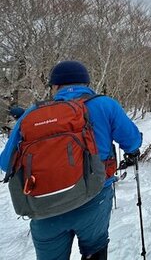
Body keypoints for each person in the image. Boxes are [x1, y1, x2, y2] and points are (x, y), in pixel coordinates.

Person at [0, 60, 143, 260]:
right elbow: (133, 141)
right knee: (95, 251)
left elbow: (6, 163)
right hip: (94, 197)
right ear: (86, 83)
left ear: (55, 86)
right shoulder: (105, 104)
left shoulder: (32, 114)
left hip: (45, 208)